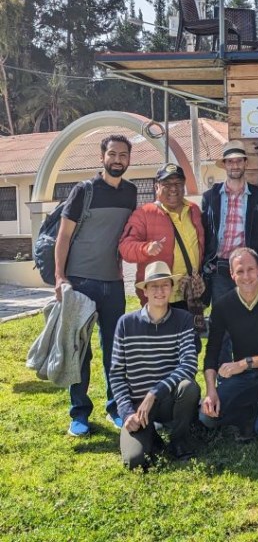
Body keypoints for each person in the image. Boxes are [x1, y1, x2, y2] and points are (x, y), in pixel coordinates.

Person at [53, 133, 137, 436]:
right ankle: (79, 413)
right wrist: (60, 277)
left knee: (115, 350)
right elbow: (63, 237)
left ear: (129, 159)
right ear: (102, 157)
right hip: (81, 282)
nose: (117, 160)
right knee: (80, 350)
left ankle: (116, 407)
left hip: (114, 283)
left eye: (123, 155)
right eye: (112, 154)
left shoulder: (130, 193)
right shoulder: (83, 191)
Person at [109, 262, 200, 470]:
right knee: (134, 461)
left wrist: (154, 393)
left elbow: (189, 364)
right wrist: (126, 413)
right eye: (154, 286)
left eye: (165, 285)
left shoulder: (184, 320)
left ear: (171, 288)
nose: (160, 291)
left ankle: (179, 441)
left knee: (189, 387)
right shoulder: (125, 323)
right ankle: (151, 437)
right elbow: (116, 374)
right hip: (137, 407)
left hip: (168, 400)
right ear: (145, 291)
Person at [200, 247, 258, 455]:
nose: (246, 276)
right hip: (246, 377)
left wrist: (243, 363)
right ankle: (252, 413)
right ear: (232, 274)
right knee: (207, 417)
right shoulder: (223, 306)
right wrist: (211, 391)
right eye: (240, 271)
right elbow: (212, 352)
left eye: (250, 269)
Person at [119, 164, 205, 319]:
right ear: (156, 187)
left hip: (189, 293)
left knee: (190, 341)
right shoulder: (143, 214)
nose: (173, 189)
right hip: (159, 296)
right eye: (166, 184)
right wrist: (146, 248)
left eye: (178, 183)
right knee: (160, 341)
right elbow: (125, 248)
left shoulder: (194, 210)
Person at [201, 141, 258, 307]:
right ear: (225, 165)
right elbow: (203, 234)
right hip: (219, 270)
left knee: (249, 318)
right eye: (230, 161)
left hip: (248, 270)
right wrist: (206, 264)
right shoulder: (210, 197)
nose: (235, 165)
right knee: (221, 322)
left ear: (245, 163)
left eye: (239, 161)